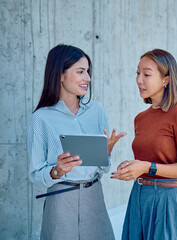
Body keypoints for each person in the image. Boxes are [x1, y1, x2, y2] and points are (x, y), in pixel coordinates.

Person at [27, 44, 126, 239]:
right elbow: (36, 174)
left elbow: (102, 168)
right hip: (61, 200)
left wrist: (106, 151)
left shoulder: (96, 110)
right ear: (60, 75)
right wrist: (57, 170)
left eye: (87, 72)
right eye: (80, 72)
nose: (87, 78)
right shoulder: (40, 119)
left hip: (94, 196)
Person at [111, 49, 177, 240]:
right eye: (137, 73)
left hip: (167, 199)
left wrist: (147, 167)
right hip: (139, 195)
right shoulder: (140, 118)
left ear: (165, 80)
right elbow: (148, 158)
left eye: (146, 74)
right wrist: (131, 167)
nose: (139, 80)